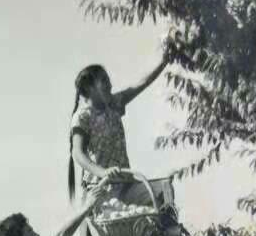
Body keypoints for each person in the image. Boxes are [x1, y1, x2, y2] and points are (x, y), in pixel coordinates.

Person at [68, 59, 177, 225]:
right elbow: (77, 152)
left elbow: (142, 83)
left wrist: (164, 60)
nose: (110, 85)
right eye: (104, 81)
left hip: (126, 185)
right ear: (90, 88)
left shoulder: (113, 104)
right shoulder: (82, 117)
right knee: (121, 223)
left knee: (164, 192)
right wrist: (102, 172)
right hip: (102, 191)